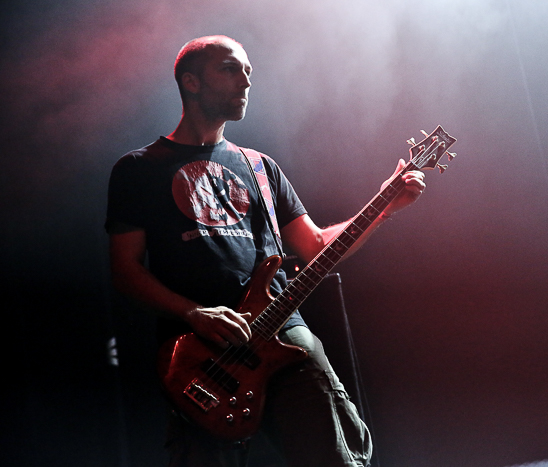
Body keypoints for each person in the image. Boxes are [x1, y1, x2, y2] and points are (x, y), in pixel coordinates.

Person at [106, 35, 426, 467]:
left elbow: (314, 247)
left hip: (283, 332)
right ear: (191, 82)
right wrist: (192, 313)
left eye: (249, 73)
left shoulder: (261, 168)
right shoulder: (138, 169)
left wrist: (383, 207)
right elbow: (125, 271)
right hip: (198, 350)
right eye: (230, 69)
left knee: (333, 458)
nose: (246, 82)